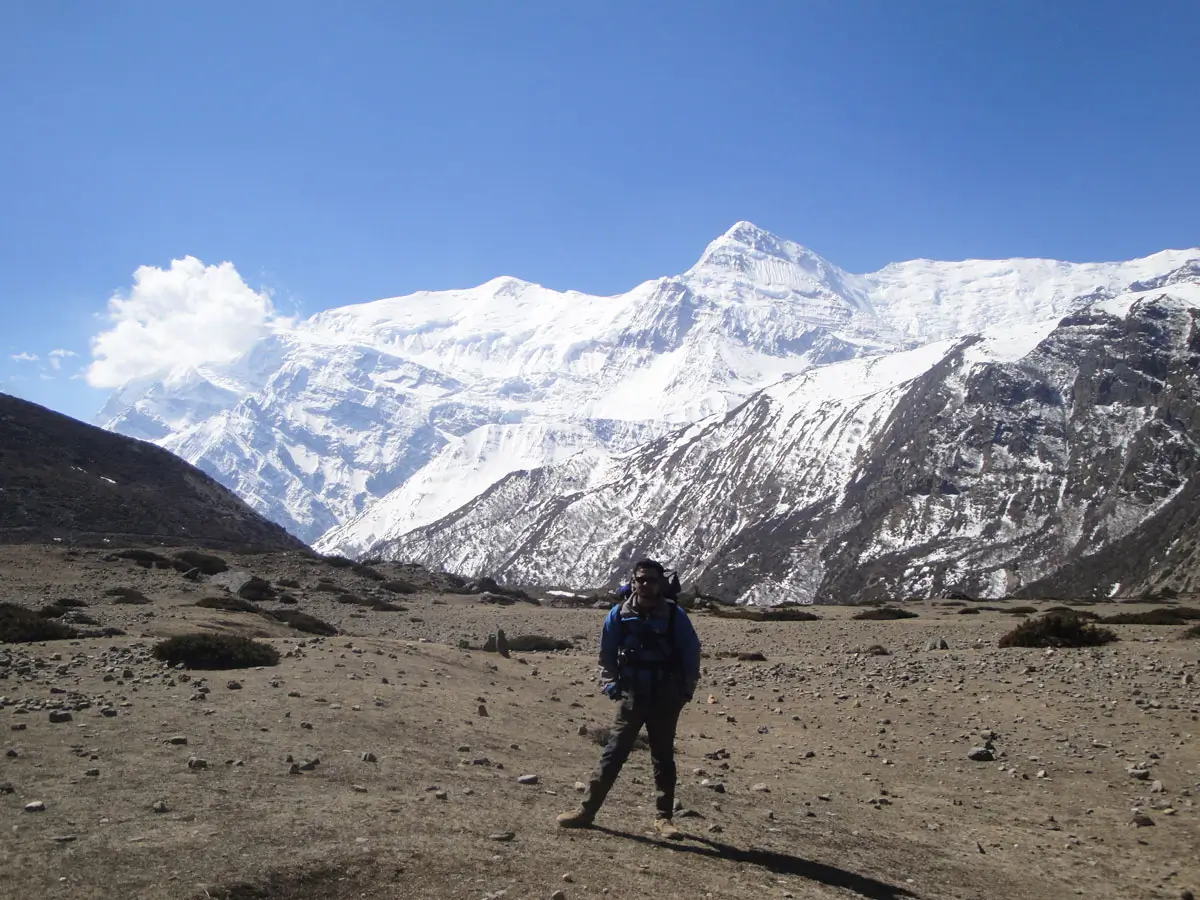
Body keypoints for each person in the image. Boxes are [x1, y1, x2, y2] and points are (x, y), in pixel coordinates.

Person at [556, 558, 702, 839]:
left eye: (651, 579)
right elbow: (606, 655)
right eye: (641, 579)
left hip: (665, 697)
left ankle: (664, 818)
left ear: (661, 583)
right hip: (632, 696)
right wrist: (611, 685)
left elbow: (691, 652)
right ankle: (587, 811)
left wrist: (685, 691)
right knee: (613, 755)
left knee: (662, 757)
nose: (646, 584)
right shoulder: (619, 615)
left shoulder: (674, 616)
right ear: (634, 582)